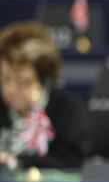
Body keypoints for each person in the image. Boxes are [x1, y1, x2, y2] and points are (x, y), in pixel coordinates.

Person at [0, 22, 91, 170]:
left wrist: (15, 162)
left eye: (21, 81)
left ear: (43, 80)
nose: (10, 89)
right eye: (5, 79)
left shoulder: (67, 109)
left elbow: (70, 162)